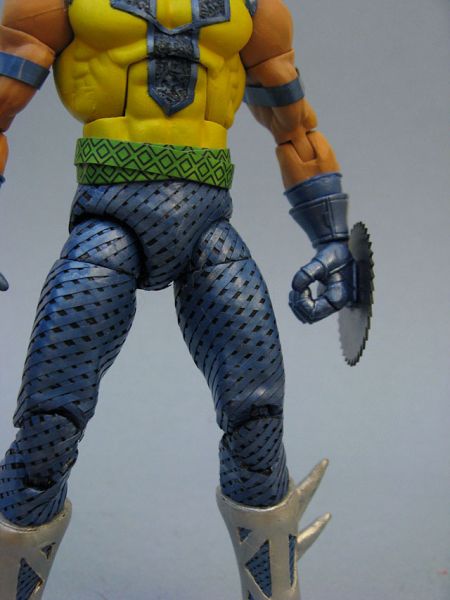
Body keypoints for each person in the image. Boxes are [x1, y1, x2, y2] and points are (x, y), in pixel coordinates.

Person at [0, 0, 355, 598]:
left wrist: (333, 237)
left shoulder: (253, 8)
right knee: (47, 427)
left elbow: (296, 127)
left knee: (257, 422)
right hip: (108, 224)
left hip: (208, 231)